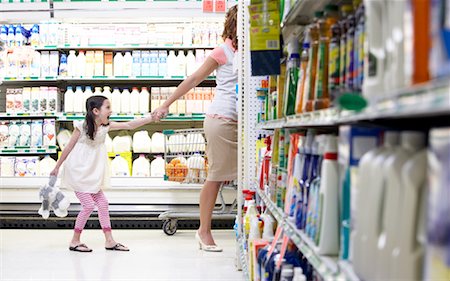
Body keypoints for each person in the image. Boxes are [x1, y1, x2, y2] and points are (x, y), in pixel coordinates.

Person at [152, 5, 238, 252]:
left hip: (243, 123)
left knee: (240, 179)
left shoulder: (250, 51)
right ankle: (203, 231)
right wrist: (166, 104)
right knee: (216, 178)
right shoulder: (223, 51)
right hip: (222, 121)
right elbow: (193, 79)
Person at [50, 95, 154, 252]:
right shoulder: (82, 126)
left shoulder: (106, 126)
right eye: (108, 107)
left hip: (92, 172)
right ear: (96, 111)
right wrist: (57, 167)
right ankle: (74, 241)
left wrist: (151, 118)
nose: (111, 110)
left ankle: (109, 241)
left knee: (103, 204)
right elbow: (69, 147)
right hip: (78, 171)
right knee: (88, 205)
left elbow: (130, 124)